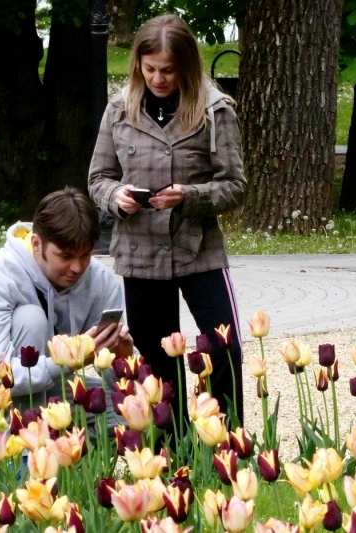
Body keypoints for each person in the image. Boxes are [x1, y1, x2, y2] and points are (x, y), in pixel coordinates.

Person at [88, 14, 246, 425]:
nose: (158, 79)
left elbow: (235, 185)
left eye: (168, 70)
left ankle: (229, 445)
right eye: (150, 69)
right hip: (140, 253)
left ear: (187, 67)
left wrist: (188, 196)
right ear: (138, 65)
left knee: (222, 351)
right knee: (158, 363)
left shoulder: (215, 111)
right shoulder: (119, 110)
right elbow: (97, 179)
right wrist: (116, 196)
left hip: (199, 250)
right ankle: (174, 455)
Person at [0, 188, 133, 413]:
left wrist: (122, 359)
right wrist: (73, 358)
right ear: (36, 243)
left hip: (49, 381)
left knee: (136, 411)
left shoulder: (100, 280)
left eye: (85, 255)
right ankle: (26, 442)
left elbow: (117, 378)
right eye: (66, 256)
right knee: (31, 319)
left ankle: (53, 436)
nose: (77, 268)